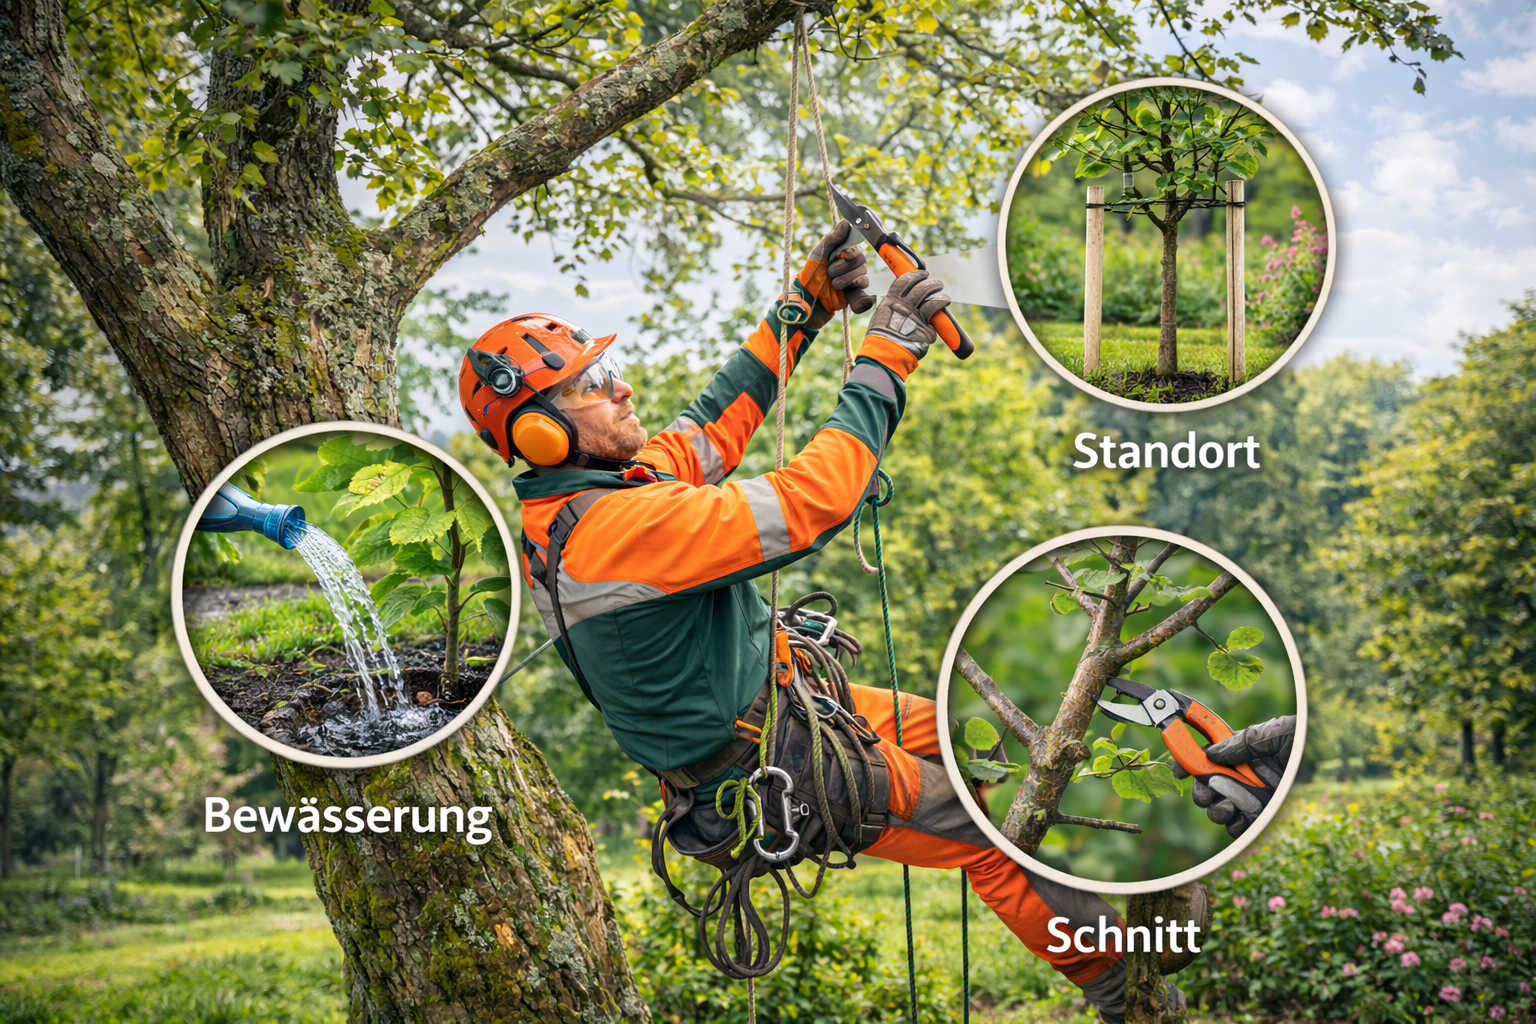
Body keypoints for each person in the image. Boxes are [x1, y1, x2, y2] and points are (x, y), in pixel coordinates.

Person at [460, 222, 1130, 1021]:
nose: (621, 387)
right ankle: (1125, 990)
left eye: (610, 368)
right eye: (591, 383)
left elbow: (713, 425)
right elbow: (811, 504)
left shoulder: (603, 490)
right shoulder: (614, 530)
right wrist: (883, 362)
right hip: (771, 765)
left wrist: (803, 305)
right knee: (994, 831)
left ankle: (1123, 877)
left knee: (973, 738)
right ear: (538, 430)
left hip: (789, 708)